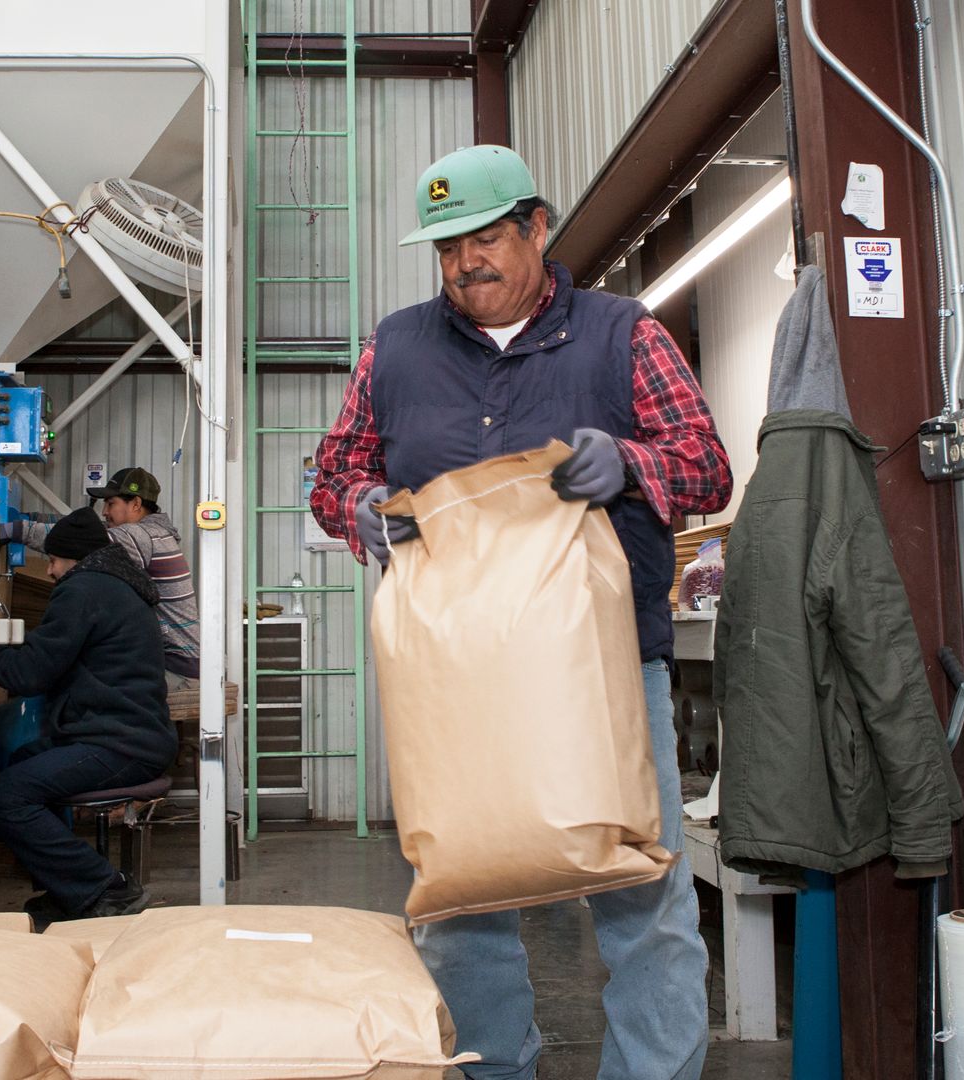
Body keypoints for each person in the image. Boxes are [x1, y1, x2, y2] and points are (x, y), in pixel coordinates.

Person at [310, 145, 733, 1080]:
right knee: (460, 908)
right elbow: (335, 471)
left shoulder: (624, 334)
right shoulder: (395, 348)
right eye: (447, 249)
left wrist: (631, 463)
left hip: (604, 673)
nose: (466, 265)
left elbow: (707, 465)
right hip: (450, 682)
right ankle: (491, 1067)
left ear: (538, 228)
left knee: (645, 902)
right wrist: (361, 509)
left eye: (486, 239)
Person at [0, 507, 176, 925]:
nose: (49, 571)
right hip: (133, 735)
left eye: (52, 560)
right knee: (24, 762)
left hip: (121, 744)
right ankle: (69, 890)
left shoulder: (83, 589)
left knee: (6, 795)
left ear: (73, 558)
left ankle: (106, 888)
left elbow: (32, 673)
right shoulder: (118, 585)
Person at [4, 466, 200, 688]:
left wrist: (14, 530)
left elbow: (79, 539)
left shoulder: (142, 536)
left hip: (176, 670)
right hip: (173, 662)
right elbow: (80, 527)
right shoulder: (153, 533)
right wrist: (31, 518)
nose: (105, 511)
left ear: (136, 504)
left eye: (111, 503)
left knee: (76, 686)